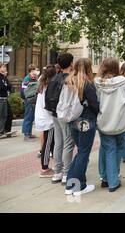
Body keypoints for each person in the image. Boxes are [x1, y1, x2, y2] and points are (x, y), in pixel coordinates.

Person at [95, 57, 125, 192]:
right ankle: (113, 181)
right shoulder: (123, 82)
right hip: (120, 121)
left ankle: (105, 178)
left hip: (104, 121)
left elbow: (96, 101)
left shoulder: (97, 83)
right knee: (118, 149)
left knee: (106, 148)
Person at [65, 58, 99, 196]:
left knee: (80, 152)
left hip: (71, 120)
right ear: (88, 68)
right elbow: (95, 105)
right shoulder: (87, 84)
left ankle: (70, 185)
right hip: (85, 120)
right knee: (84, 153)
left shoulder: (68, 81)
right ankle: (78, 187)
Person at [48, 53, 75, 184]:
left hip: (54, 114)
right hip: (64, 115)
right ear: (71, 63)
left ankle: (57, 172)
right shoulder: (69, 79)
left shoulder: (54, 78)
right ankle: (67, 173)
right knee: (68, 142)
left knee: (58, 142)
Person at [35, 65, 56, 177]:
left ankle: (51, 164)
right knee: (47, 145)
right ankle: (44, 168)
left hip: (42, 118)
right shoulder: (48, 87)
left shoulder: (42, 85)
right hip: (47, 120)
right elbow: (48, 105)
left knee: (50, 143)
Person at [21, 64, 40, 140]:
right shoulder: (27, 78)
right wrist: (25, 98)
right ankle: (26, 134)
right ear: (31, 71)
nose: (37, 71)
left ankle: (29, 132)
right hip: (29, 100)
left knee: (31, 117)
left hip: (33, 99)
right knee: (28, 116)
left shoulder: (35, 78)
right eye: (35, 69)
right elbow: (23, 90)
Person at [0, 64, 13, 138]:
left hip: (4, 98)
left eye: (5, 67)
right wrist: (6, 87)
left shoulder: (4, 78)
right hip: (0, 98)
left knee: (4, 115)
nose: (5, 68)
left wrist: (6, 87)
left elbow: (10, 86)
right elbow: (1, 87)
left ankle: (2, 130)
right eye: (3, 67)